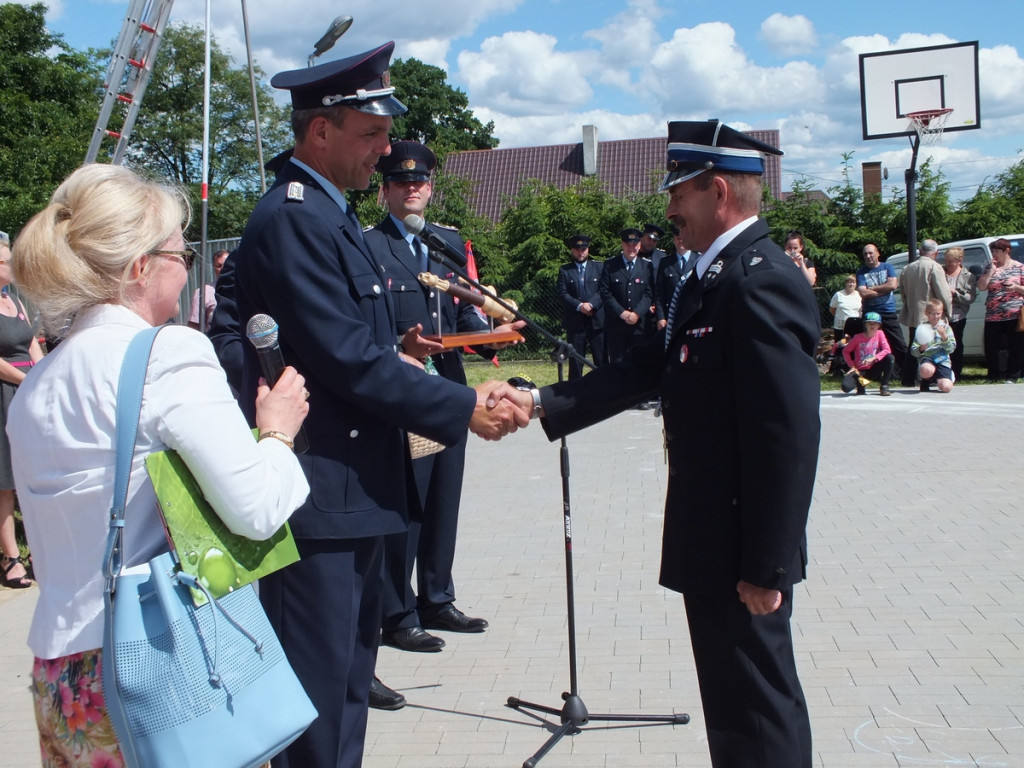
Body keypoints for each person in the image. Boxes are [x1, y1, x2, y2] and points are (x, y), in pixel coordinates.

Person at [224, 43, 527, 768]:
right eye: (371, 134)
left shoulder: (329, 217)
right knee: (321, 708)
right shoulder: (297, 218)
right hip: (322, 497)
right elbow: (344, 357)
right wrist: (458, 410)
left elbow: (374, 348)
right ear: (319, 131)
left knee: (346, 692)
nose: (386, 150)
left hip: (353, 489)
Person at [489, 119, 819, 768]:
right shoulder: (706, 277)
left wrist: (768, 565)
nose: (668, 209)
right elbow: (644, 366)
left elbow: (787, 436)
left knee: (760, 704)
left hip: (743, 549)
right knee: (731, 704)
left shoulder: (760, 281)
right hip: (711, 536)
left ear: (717, 191)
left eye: (678, 193)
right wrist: (538, 402)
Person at [7, 163, 311, 767]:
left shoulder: (38, 381)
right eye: (182, 252)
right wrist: (277, 433)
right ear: (141, 266)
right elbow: (256, 509)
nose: (188, 266)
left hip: (62, 675)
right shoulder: (167, 354)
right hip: (156, 661)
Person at [366, 140, 518, 658]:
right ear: (385, 190)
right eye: (401, 182)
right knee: (408, 501)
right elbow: (365, 329)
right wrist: (398, 347)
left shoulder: (448, 242)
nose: (412, 189)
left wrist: (496, 326)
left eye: (421, 181)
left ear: (431, 188)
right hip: (407, 391)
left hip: (450, 390)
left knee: (443, 499)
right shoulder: (369, 246)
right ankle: (397, 611)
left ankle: (436, 596)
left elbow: (466, 317)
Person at [0, 235, 43, 589]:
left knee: (36, 472)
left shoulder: (14, 300)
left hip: (29, 385)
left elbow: (31, 340)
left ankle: (40, 550)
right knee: (5, 483)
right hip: (5, 390)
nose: (11, 266)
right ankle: (12, 559)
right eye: (4, 262)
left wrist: (43, 378)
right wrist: (25, 381)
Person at [897, 239, 952, 386]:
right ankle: (931, 378)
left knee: (913, 346)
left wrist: (909, 307)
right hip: (931, 315)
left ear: (920, 251)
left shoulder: (907, 268)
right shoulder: (935, 267)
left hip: (914, 314)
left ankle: (908, 378)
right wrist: (947, 311)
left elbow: (903, 292)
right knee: (933, 347)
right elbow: (943, 293)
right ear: (936, 253)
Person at [599, 227, 653, 364]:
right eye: (628, 245)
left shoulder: (647, 266)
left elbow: (649, 293)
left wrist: (637, 313)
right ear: (622, 244)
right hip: (616, 325)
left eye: (635, 245)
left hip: (639, 325)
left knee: (640, 364)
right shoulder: (610, 265)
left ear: (640, 245)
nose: (631, 248)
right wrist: (622, 313)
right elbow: (605, 292)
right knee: (618, 365)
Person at [556, 234, 604, 378]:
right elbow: (562, 293)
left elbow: (604, 290)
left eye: (583, 249)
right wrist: (579, 306)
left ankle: (604, 390)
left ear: (588, 249)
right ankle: (575, 393)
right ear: (572, 250)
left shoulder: (599, 267)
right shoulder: (565, 270)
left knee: (601, 359)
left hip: (597, 320)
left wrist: (591, 305)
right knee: (576, 360)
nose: (580, 252)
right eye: (577, 249)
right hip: (576, 321)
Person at [976, 238, 1024, 383]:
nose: (994, 254)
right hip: (993, 315)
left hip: (1014, 313)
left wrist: (1015, 287)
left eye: (997, 251)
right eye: (993, 251)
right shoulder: (990, 267)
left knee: (1016, 346)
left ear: (1006, 251)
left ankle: (1012, 376)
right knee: (991, 347)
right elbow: (982, 286)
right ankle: (993, 375)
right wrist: (991, 271)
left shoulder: (1019, 267)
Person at [857, 243, 907, 379]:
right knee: (871, 344)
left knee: (898, 342)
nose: (868, 256)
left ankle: (907, 373)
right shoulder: (861, 272)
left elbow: (893, 285)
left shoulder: (887, 267)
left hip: (887, 311)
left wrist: (872, 289)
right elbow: (863, 293)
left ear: (877, 253)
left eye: (871, 253)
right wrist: (882, 291)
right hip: (870, 314)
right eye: (865, 254)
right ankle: (870, 373)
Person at [943, 247, 977, 380]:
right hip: (941, 315)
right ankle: (942, 371)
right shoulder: (940, 272)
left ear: (959, 260)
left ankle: (956, 372)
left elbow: (970, 298)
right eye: (946, 261)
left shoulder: (968, 276)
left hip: (958, 316)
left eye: (951, 261)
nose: (948, 264)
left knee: (955, 345)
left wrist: (955, 294)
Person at [841, 311, 895, 396]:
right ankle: (861, 384)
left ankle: (884, 385)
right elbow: (845, 351)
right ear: (865, 324)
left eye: (875, 323)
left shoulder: (880, 334)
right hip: (860, 370)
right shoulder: (857, 338)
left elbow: (887, 349)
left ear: (879, 325)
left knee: (890, 358)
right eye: (870, 323)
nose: (872, 325)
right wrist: (852, 366)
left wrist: (874, 358)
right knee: (846, 387)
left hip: (874, 367)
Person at [912, 298, 956, 392]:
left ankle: (943, 377)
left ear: (942, 313)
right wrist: (921, 348)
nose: (935, 316)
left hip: (942, 358)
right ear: (926, 313)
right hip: (927, 358)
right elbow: (913, 350)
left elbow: (951, 348)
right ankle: (926, 380)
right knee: (926, 369)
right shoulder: (922, 329)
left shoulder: (946, 328)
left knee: (946, 388)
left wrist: (944, 337)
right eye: (932, 314)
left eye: (938, 313)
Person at [654, 225, 692, 331]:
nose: (681, 241)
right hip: (670, 316)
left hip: (691, 315)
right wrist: (660, 317)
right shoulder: (665, 262)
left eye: (683, 238)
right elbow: (659, 293)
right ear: (674, 240)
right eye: (678, 238)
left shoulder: (698, 259)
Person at [187, 248, 229, 331]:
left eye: (226, 264)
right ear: (214, 267)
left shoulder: (243, 289)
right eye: (218, 266)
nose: (223, 269)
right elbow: (193, 327)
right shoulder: (203, 292)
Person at [828, 274, 862, 343]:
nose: (851, 284)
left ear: (856, 284)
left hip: (855, 326)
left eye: (853, 282)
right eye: (849, 282)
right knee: (840, 346)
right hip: (841, 327)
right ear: (846, 283)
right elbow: (832, 309)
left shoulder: (860, 295)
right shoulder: (838, 295)